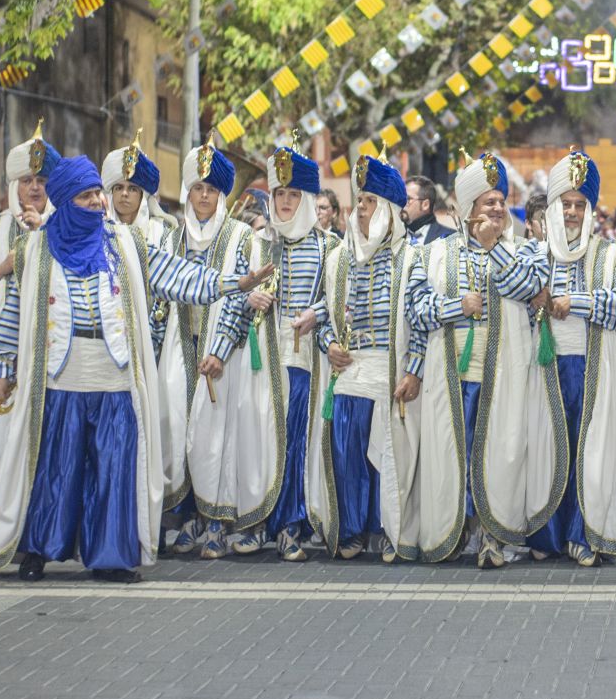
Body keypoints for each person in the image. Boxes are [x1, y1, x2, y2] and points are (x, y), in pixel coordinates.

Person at [0, 154, 274, 584]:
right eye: (87, 196)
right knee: (55, 468)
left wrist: (234, 283)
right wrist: (6, 371)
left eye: (98, 193)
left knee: (114, 468)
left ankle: (112, 555)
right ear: (65, 202)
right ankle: (39, 550)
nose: (100, 202)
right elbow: (13, 313)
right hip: (59, 380)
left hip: (115, 378)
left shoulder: (125, 244)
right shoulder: (35, 249)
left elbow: (178, 276)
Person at [404, 151, 550, 568]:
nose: (499, 208)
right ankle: (452, 534)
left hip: (504, 375)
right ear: (466, 209)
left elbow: (530, 287)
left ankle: (492, 537)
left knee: (498, 456)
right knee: (453, 455)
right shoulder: (434, 253)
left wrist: (494, 250)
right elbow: (416, 309)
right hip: (450, 375)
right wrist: (457, 308)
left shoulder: (525, 250)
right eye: (489, 202)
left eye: (501, 201)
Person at [215, 141, 335, 561]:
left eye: (293, 195)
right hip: (257, 359)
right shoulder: (255, 244)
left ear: (306, 199)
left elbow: (340, 298)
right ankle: (253, 523)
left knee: (293, 442)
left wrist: (316, 314)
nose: (284, 202)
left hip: (302, 358)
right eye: (279, 194)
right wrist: (247, 305)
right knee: (255, 437)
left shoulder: (329, 247)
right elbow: (232, 298)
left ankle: (289, 526)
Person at [522, 149, 616, 566]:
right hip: (545, 367)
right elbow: (515, 305)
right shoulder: (534, 255)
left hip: (595, 367)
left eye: (579, 205)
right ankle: (546, 532)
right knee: (548, 448)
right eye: (565, 204)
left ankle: (583, 532)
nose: (572, 213)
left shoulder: (612, 253)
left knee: (589, 452)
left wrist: (574, 302)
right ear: (552, 208)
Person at [317, 155, 425, 560]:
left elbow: (421, 322)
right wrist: (328, 343)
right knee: (346, 453)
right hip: (348, 373)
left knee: (386, 456)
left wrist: (413, 370)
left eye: (371, 202)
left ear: (392, 211)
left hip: (389, 370)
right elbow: (323, 314)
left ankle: (385, 528)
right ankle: (351, 530)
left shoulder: (413, 259)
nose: (361, 209)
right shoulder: (338, 259)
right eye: (359, 201)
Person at [157, 140, 261, 559]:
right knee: (177, 427)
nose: (204, 195)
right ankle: (187, 519)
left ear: (222, 195)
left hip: (224, 352)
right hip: (178, 346)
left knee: (217, 435)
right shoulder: (171, 237)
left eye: (212, 189)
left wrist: (218, 350)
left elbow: (239, 296)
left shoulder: (239, 236)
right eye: (198, 187)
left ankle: (217, 522)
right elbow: (159, 292)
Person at [0, 123, 54, 502]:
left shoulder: (61, 225)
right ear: (13, 185)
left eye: (41, 180)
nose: (34, 188)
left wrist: (28, 250)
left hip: (47, 340)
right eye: (25, 180)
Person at [100, 134, 172, 353]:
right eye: (119, 188)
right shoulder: (98, 233)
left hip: (152, 339)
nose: (124, 194)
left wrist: (151, 337)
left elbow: (165, 294)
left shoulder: (162, 234)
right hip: (105, 337)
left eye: (132, 189)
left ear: (143, 196)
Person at [404, 174, 452, 245]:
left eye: (408, 199)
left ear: (425, 205)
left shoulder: (450, 239)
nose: (402, 203)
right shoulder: (392, 236)